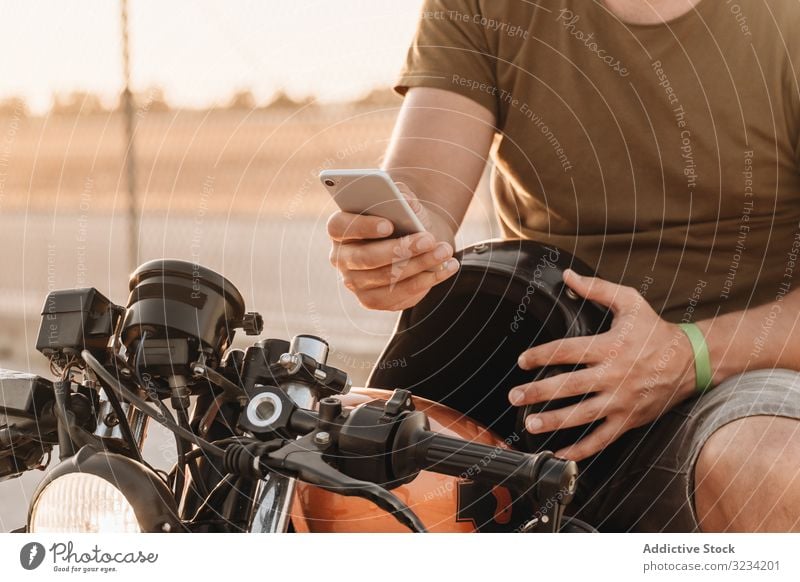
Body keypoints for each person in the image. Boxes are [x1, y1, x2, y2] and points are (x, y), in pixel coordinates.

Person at [326, 0, 800, 532]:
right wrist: (397, 247)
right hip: (533, 361)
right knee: (344, 480)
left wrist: (686, 355)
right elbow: (426, 198)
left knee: (771, 464)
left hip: (741, 367)